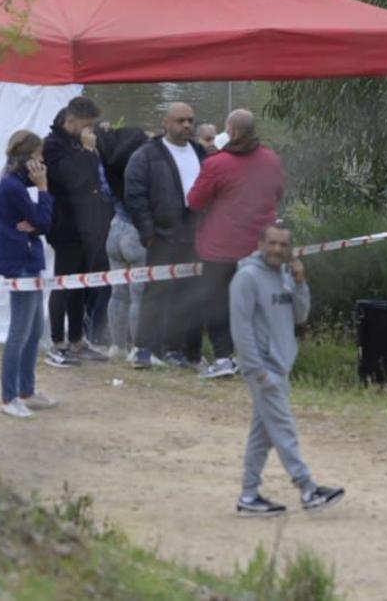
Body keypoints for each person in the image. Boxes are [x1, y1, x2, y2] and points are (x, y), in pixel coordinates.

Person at [230, 221, 344, 516]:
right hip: (264, 369)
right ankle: (308, 489)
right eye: (272, 243)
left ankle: (249, 496)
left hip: (281, 366)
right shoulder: (246, 278)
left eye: (283, 245)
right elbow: (240, 329)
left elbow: (300, 315)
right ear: (260, 243)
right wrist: (257, 370)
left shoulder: (284, 275)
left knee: (263, 435)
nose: (277, 249)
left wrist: (301, 281)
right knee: (284, 429)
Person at [188, 109, 285, 380]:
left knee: (217, 302)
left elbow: (196, 201)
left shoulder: (216, 164)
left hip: (221, 247)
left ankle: (222, 359)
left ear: (229, 131)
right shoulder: (272, 160)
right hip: (259, 247)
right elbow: (278, 194)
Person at [124, 102, 208, 369]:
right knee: (156, 294)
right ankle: (143, 350)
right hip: (162, 236)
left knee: (190, 295)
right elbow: (134, 195)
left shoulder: (200, 152)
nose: (187, 126)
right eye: (181, 120)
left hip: (195, 235)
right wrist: (147, 232)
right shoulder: (147, 155)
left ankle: (179, 351)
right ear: (166, 123)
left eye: (190, 121)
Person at [42, 96, 114, 366]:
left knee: (81, 285)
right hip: (66, 227)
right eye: (87, 125)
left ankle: (77, 340)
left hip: (90, 226)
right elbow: (71, 179)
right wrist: (85, 152)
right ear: (71, 121)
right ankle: (57, 342)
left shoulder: (78, 142)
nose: (91, 131)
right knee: (63, 284)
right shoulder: (53, 146)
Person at [0, 130, 59, 418]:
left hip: (30, 260)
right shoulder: (11, 187)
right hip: (19, 262)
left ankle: (27, 390)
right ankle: (9, 398)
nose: (42, 162)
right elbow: (43, 222)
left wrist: (36, 219)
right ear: (28, 158)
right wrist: (43, 188)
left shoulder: (19, 186)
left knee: (34, 331)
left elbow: (40, 223)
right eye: (38, 156)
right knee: (19, 332)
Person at [97, 125, 150, 357]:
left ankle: (117, 346)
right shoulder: (141, 169)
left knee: (118, 293)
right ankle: (138, 348)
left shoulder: (110, 167)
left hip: (115, 229)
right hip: (135, 233)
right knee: (139, 294)